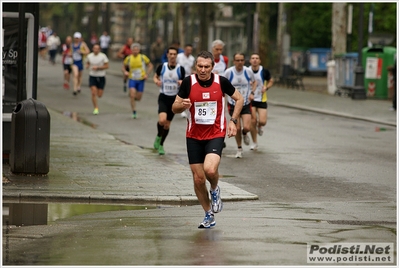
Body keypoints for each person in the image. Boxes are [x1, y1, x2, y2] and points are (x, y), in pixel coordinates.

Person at [171, 50, 243, 228]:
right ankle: (208, 214)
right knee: (198, 179)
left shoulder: (221, 82)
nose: (203, 70)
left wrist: (233, 121)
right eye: (200, 66)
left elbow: (239, 99)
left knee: (210, 171)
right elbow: (174, 107)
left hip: (215, 133)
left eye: (206, 67)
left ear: (212, 67)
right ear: (196, 66)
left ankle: (215, 189)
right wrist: (182, 105)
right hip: (194, 135)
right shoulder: (189, 82)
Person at [152, 47, 185, 155]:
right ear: (167, 55)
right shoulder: (162, 67)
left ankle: (161, 144)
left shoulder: (181, 69)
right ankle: (158, 135)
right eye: (170, 54)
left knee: (167, 125)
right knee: (162, 120)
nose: (172, 56)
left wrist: (182, 83)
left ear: (176, 56)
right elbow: (155, 77)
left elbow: (184, 83)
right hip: (163, 97)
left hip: (174, 99)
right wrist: (156, 81)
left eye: (174, 54)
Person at [224, 53, 257, 158]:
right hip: (233, 104)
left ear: (244, 61)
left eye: (242, 60)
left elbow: (255, 81)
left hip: (246, 103)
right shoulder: (229, 72)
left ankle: (245, 133)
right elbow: (222, 84)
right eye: (237, 60)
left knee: (247, 127)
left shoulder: (248, 71)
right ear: (234, 61)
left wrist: (252, 92)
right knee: (237, 128)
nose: (240, 62)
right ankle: (239, 148)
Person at [248, 53, 274, 150]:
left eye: (257, 58)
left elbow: (271, 80)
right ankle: (254, 142)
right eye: (253, 58)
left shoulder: (264, 71)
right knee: (253, 121)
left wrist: (266, 87)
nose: (255, 60)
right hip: (251, 99)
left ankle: (260, 126)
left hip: (262, 99)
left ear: (259, 61)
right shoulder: (247, 71)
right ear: (250, 61)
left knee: (263, 121)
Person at [122, 43, 153, 119]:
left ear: (139, 50)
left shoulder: (143, 57)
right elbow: (123, 67)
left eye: (137, 50)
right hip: (132, 79)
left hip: (141, 79)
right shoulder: (128, 58)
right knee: (132, 95)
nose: (135, 51)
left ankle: (133, 97)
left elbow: (150, 65)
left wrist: (147, 74)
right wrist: (125, 72)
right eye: (134, 50)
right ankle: (134, 111)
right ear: (131, 50)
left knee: (138, 98)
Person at [85, 43, 109, 115]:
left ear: (99, 50)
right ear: (93, 49)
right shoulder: (89, 56)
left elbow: (107, 66)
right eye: (94, 48)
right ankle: (96, 108)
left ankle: (96, 105)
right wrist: (87, 66)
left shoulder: (103, 56)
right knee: (93, 92)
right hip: (92, 76)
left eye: (97, 49)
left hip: (101, 76)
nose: (96, 50)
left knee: (99, 95)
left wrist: (98, 68)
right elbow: (88, 63)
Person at [176, 43, 195, 118]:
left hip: (188, 78)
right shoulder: (179, 56)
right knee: (179, 94)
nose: (189, 51)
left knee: (187, 94)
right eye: (188, 50)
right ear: (184, 49)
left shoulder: (192, 58)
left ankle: (184, 110)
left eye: (190, 50)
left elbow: (191, 68)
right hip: (179, 77)